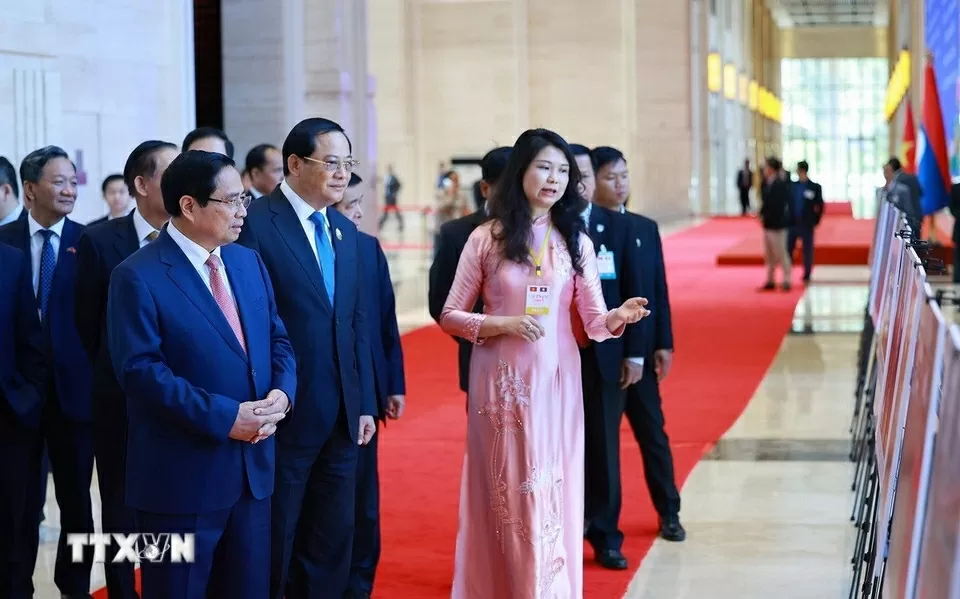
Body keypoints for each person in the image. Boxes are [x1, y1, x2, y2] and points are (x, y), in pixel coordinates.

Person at [439, 128, 650, 597]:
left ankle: (548, 587)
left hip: (557, 380)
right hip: (501, 383)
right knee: (507, 487)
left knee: (550, 484)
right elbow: (450, 315)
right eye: (544, 168)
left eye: (562, 171)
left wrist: (617, 317)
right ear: (521, 172)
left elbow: (594, 322)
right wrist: (502, 324)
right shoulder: (485, 239)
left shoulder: (575, 241)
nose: (554, 179)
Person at [106, 150, 296, 599]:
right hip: (179, 483)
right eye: (231, 201)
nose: (243, 211)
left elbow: (278, 340)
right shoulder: (136, 275)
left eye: (244, 199)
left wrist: (282, 395)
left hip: (252, 477)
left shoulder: (247, 262)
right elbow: (141, 372)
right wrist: (227, 417)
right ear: (189, 206)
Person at [236, 117, 378, 599]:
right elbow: (250, 325)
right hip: (284, 411)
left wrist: (363, 402)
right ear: (294, 164)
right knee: (278, 533)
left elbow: (354, 325)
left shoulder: (343, 230)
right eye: (331, 163)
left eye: (347, 163)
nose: (342, 174)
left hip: (342, 415)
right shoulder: (255, 224)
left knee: (332, 535)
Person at [74, 140, 178, 599]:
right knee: (118, 504)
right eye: (171, 173)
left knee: (173, 506)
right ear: (141, 183)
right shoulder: (99, 241)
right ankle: (121, 589)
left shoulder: (190, 237)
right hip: (119, 401)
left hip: (182, 399)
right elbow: (85, 323)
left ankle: (166, 583)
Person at [0, 145, 96, 597]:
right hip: (16, 398)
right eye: (59, 181)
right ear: (30, 188)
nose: (69, 189)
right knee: (18, 505)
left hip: (74, 397)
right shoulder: (5, 242)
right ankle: (16, 586)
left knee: (77, 506)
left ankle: (74, 587)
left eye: (73, 182)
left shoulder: (89, 243)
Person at [590, 145, 686, 544]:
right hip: (604, 356)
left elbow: (657, 289)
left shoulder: (644, 227)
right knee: (604, 446)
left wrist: (663, 342)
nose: (620, 184)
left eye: (624, 176)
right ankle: (602, 525)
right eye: (610, 177)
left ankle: (669, 511)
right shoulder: (583, 230)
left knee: (654, 435)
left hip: (642, 352)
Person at [568, 144, 647, 569]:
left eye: (583, 174)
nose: (577, 183)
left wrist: (635, 353)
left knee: (602, 448)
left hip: (603, 355)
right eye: (571, 174)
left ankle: (605, 535)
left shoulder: (614, 225)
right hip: (555, 357)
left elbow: (636, 290)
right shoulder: (547, 227)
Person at [334, 172, 407, 599]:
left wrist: (393, 384)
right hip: (326, 395)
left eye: (360, 203)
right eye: (350, 206)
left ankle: (360, 581)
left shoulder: (367, 248)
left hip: (365, 392)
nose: (359, 213)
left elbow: (385, 322)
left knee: (364, 497)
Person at [428, 146, 511, 397]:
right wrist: (478, 335)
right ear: (485, 189)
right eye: (507, 188)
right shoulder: (457, 233)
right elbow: (440, 301)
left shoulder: (541, 231)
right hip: (479, 357)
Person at [0, 243, 46, 599]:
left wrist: (27, 399)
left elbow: (31, 341)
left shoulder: (10, 260)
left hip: (7, 421)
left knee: (12, 528)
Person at [787, 160, 825, 284]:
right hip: (793, 223)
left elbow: (820, 205)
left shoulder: (814, 187)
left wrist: (816, 220)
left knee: (807, 250)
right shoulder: (792, 186)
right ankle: (787, 274)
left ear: (802, 170)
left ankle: (807, 274)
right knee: (789, 249)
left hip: (806, 223)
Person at [759, 156, 792, 290]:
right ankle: (770, 279)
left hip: (777, 225)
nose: (764, 170)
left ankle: (787, 279)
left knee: (781, 253)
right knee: (769, 255)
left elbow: (778, 205)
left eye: (766, 167)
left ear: (771, 169)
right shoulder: (767, 182)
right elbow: (765, 202)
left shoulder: (780, 184)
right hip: (768, 224)